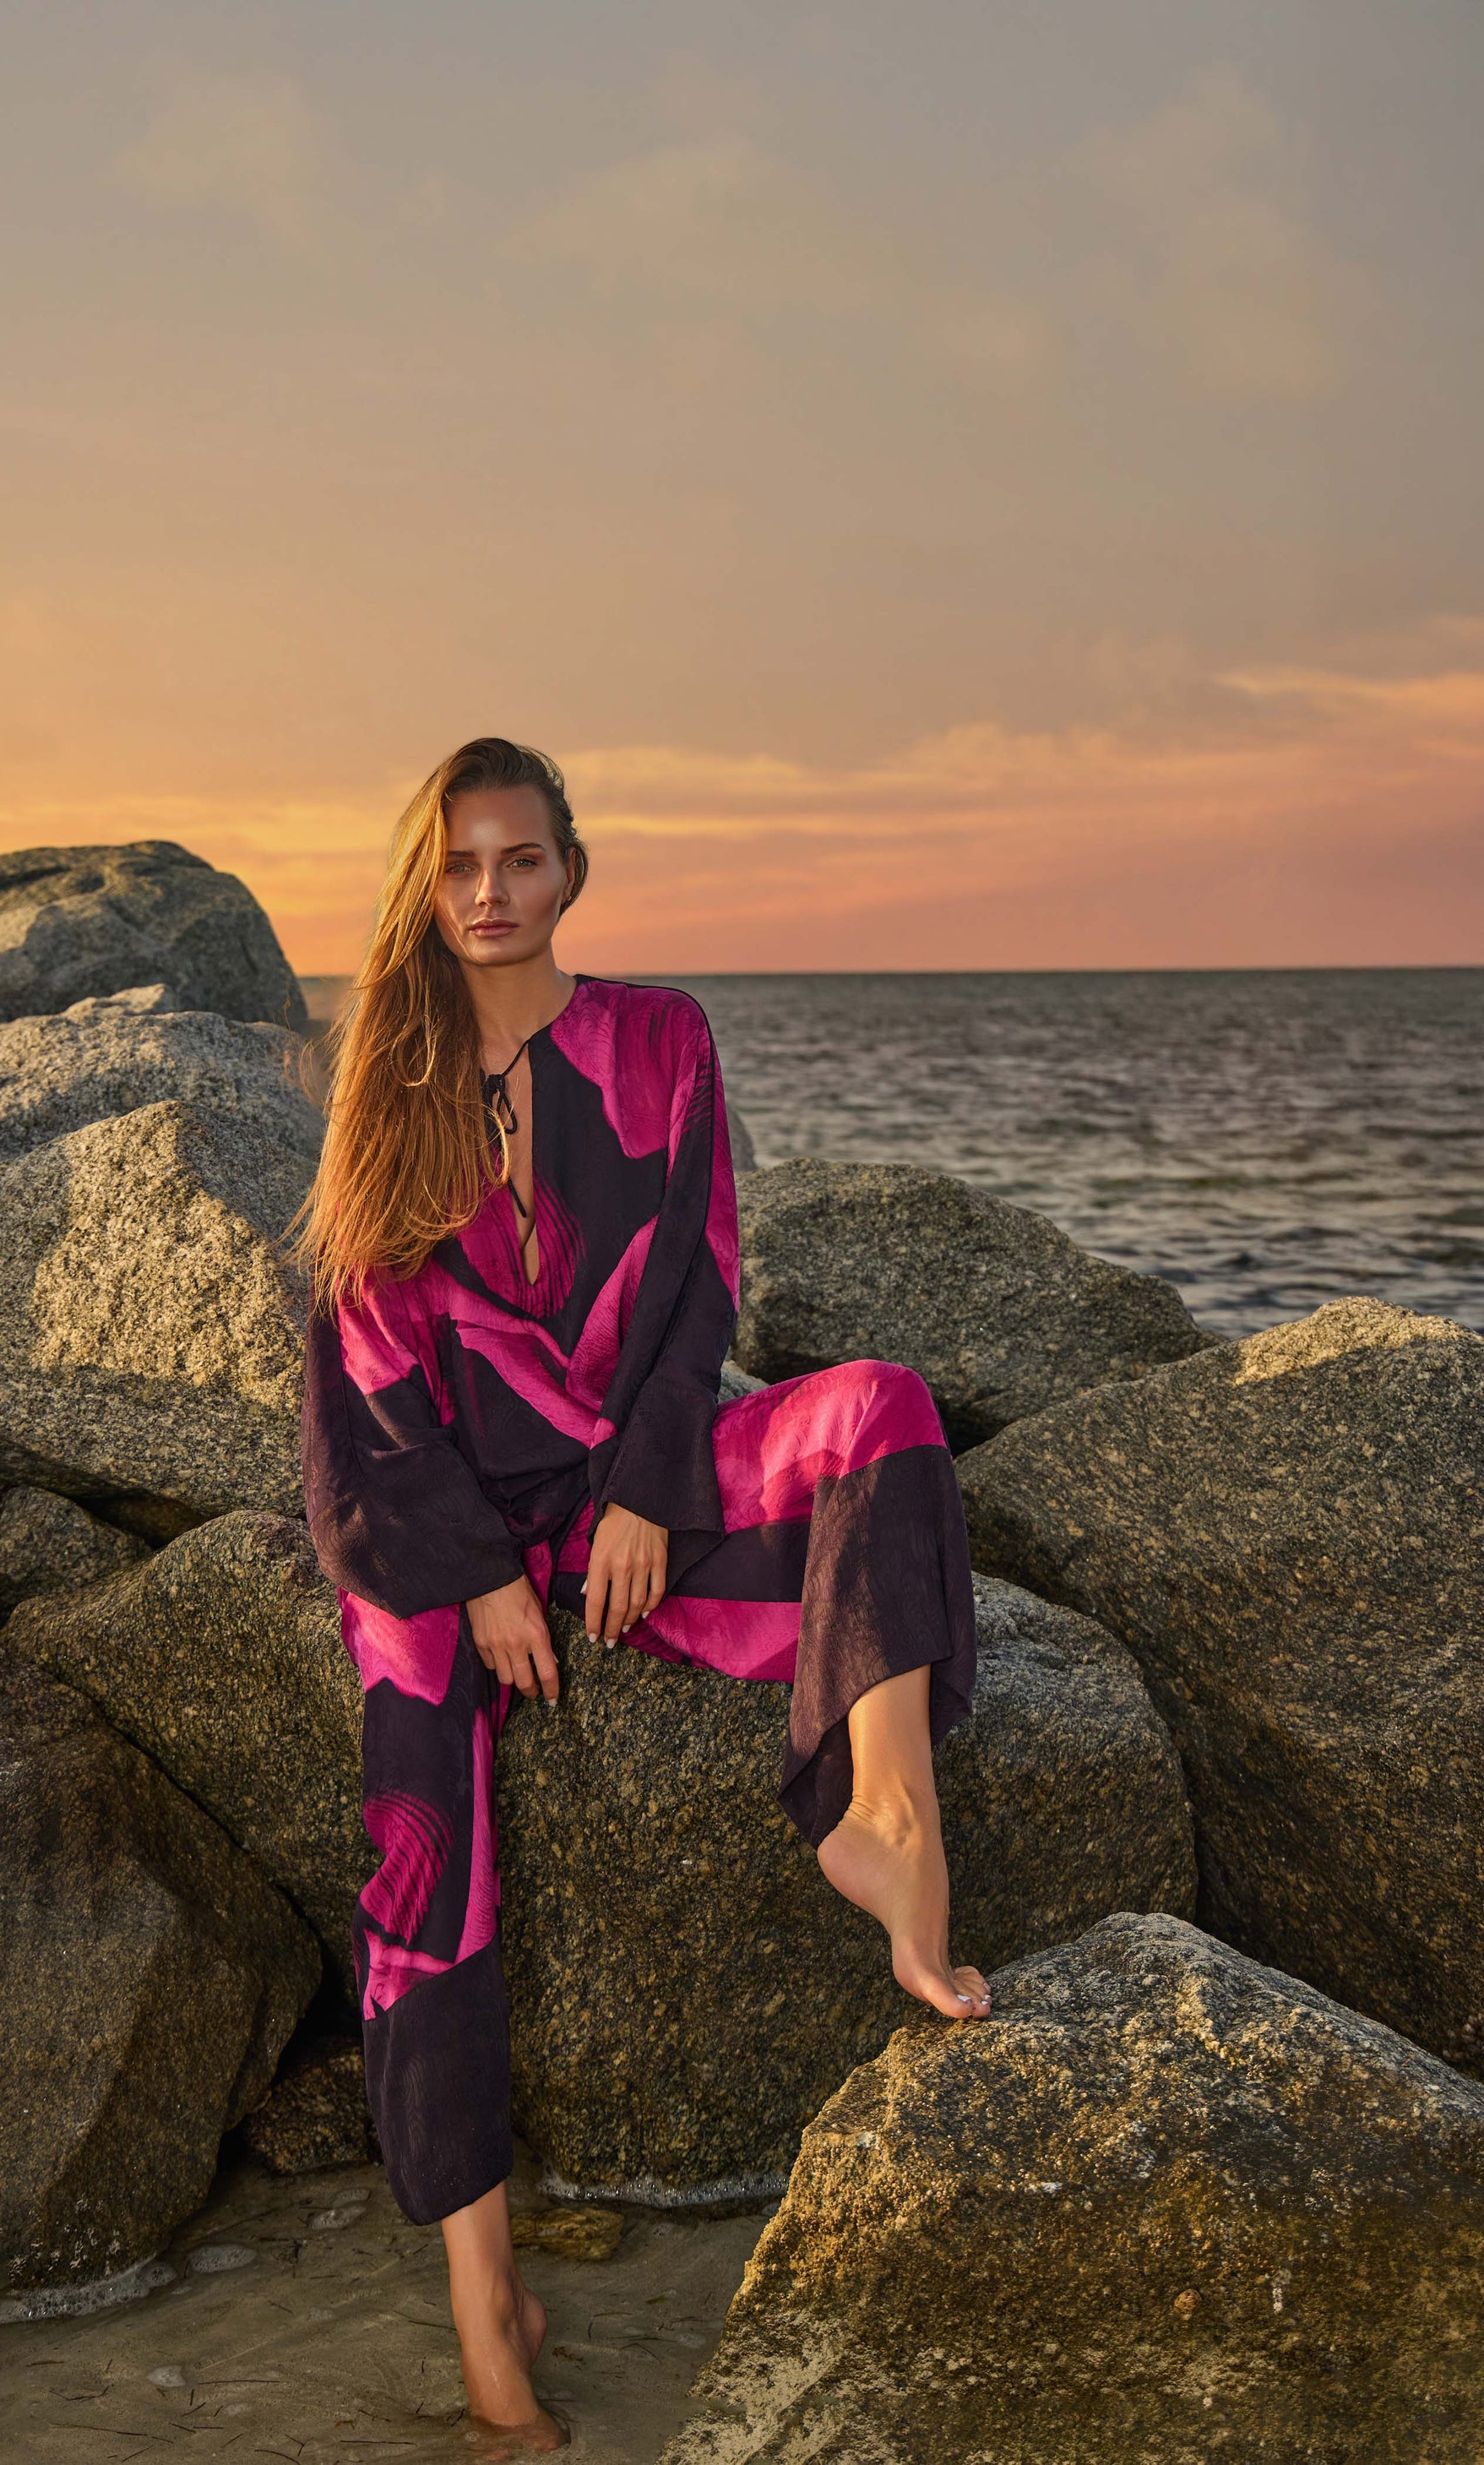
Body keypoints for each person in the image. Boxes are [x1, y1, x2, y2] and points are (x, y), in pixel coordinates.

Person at [297, 737, 987, 2446]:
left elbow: (701, 1291)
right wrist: (473, 1578)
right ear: (425, 884)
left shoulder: (661, 1039)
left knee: (881, 1411)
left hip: (622, 1484)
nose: (490, 890)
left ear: (570, 872)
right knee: (425, 1839)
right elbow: (364, 1359)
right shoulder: (385, 1077)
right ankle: (484, 2297)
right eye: (461, 863)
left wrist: (646, 1491)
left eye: (521, 858)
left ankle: (885, 1815)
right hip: (442, 1517)